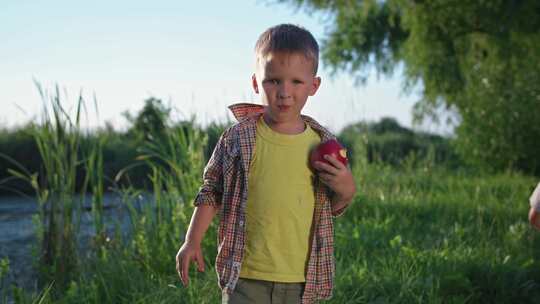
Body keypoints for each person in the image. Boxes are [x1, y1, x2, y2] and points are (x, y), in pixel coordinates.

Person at [175, 23, 357, 304]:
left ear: (314, 85)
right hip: (245, 277)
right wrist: (192, 240)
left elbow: (327, 207)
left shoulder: (322, 144)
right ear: (255, 83)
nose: (284, 92)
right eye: (273, 80)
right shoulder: (238, 138)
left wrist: (347, 189)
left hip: (301, 281)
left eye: (296, 81)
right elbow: (212, 190)